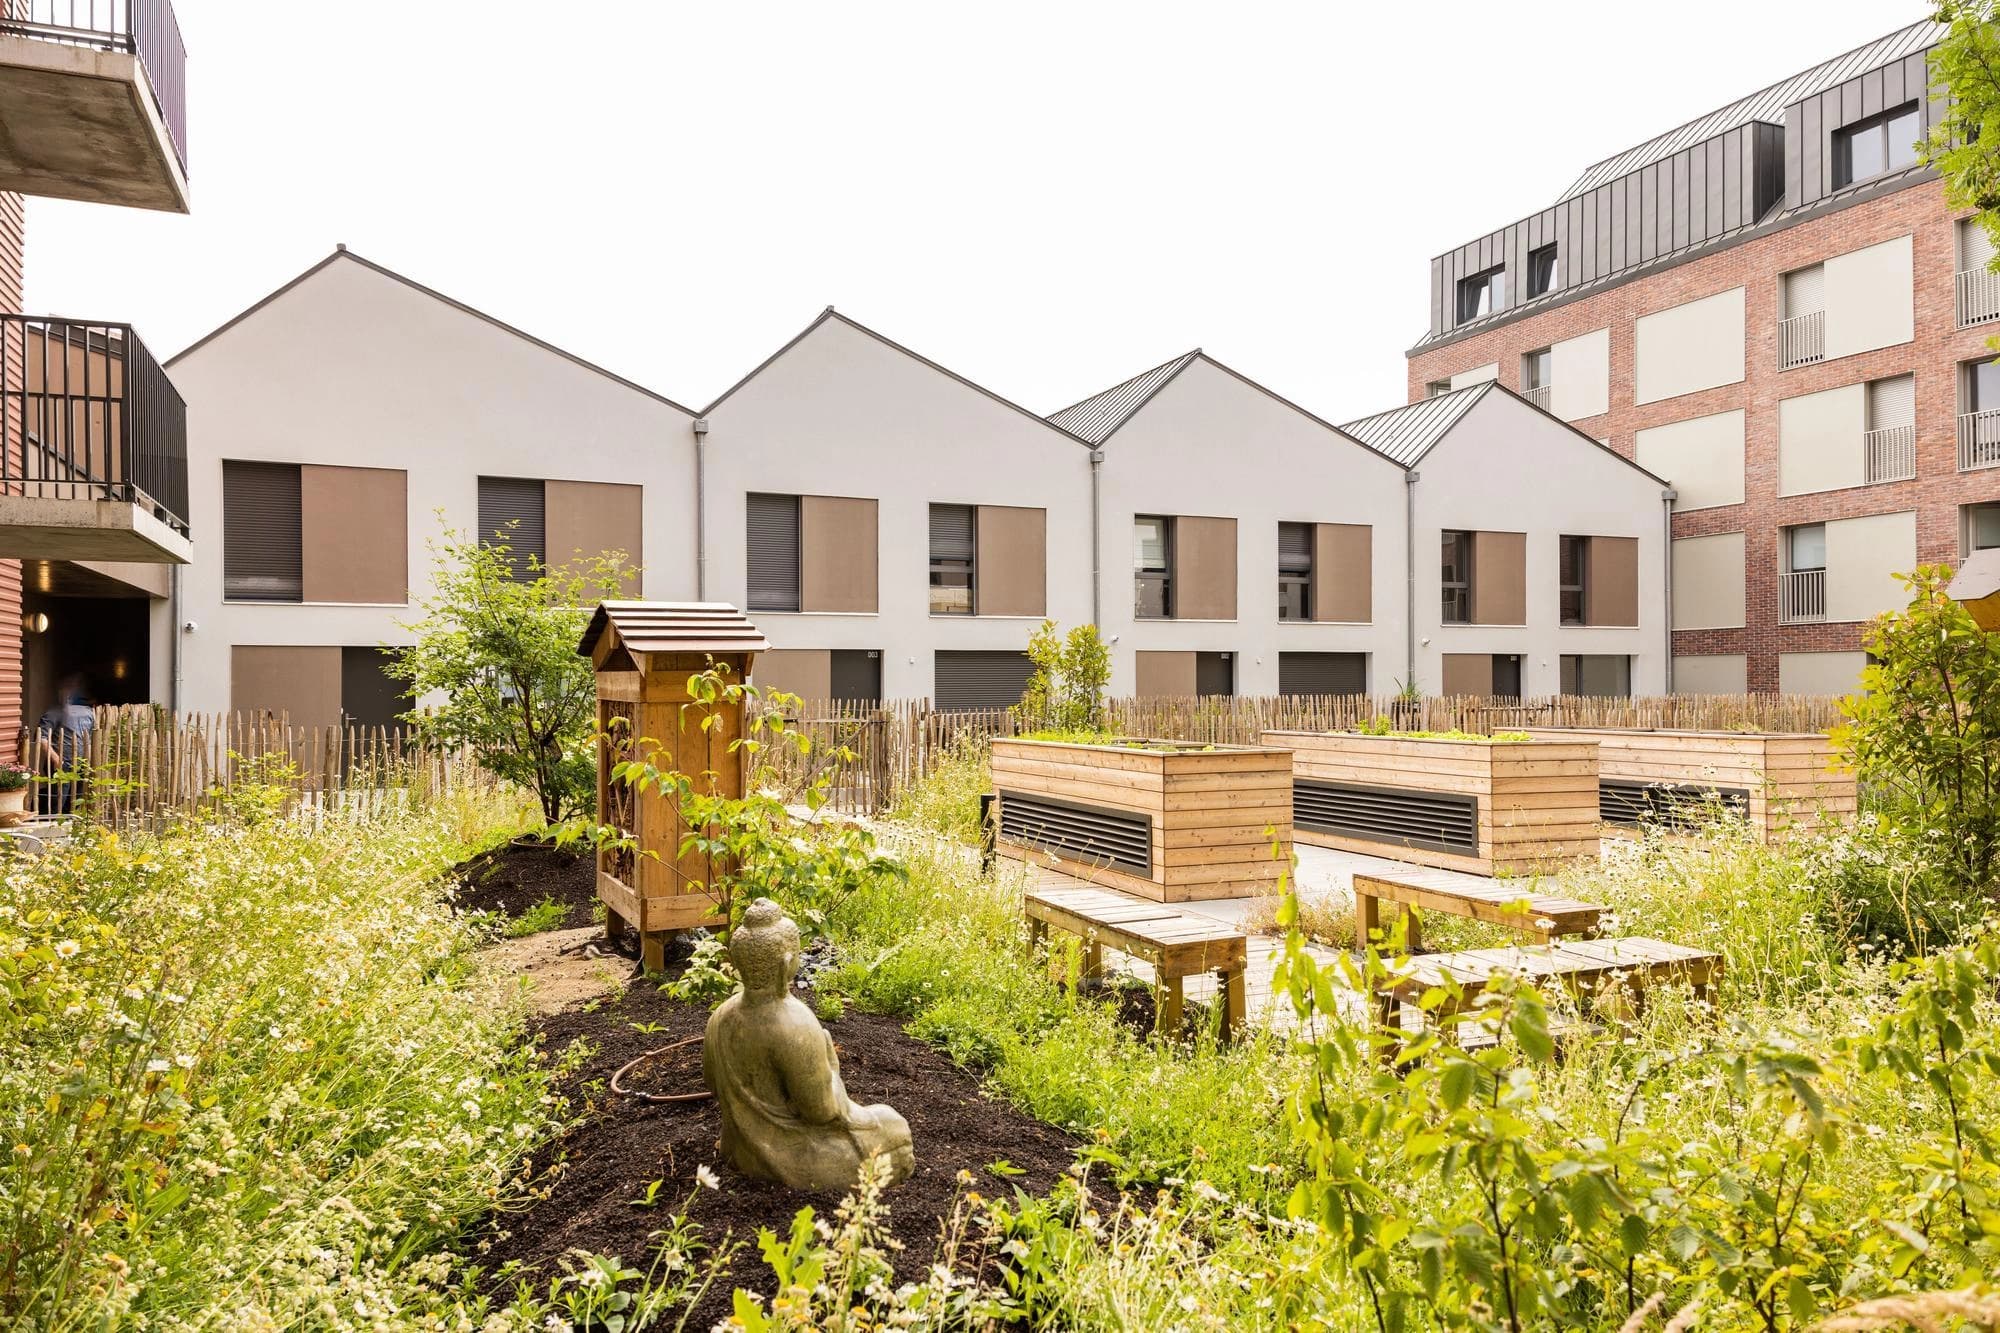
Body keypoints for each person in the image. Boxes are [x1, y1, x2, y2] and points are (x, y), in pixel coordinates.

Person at [702, 898, 914, 1191]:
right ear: (787, 963)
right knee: (895, 1129)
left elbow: (712, 1084)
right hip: (790, 1158)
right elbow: (822, 1113)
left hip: (736, 1149)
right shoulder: (794, 1023)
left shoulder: (720, 1016)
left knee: (886, 1127)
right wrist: (832, 1069)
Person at [35, 676, 93, 815]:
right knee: (58, 800)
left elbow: (90, 736)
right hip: (61, 763)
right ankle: (53, 827)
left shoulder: (89, 713)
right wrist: (55, 758)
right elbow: (41, 737)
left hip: (80, 763)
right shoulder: (54, 713)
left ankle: (70, 828)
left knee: (76, 799)